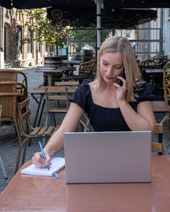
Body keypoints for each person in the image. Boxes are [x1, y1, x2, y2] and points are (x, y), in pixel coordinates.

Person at [32, 36, 155, 168]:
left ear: (126, 67)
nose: (109, 72)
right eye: (105, 64)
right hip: (100, 161)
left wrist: (122, 102)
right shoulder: (85, 91)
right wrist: (46, 151)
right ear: (99, 59)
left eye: (117, 67)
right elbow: (66, 129)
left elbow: (147, 131)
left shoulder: (139, 88)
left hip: (134, 160)